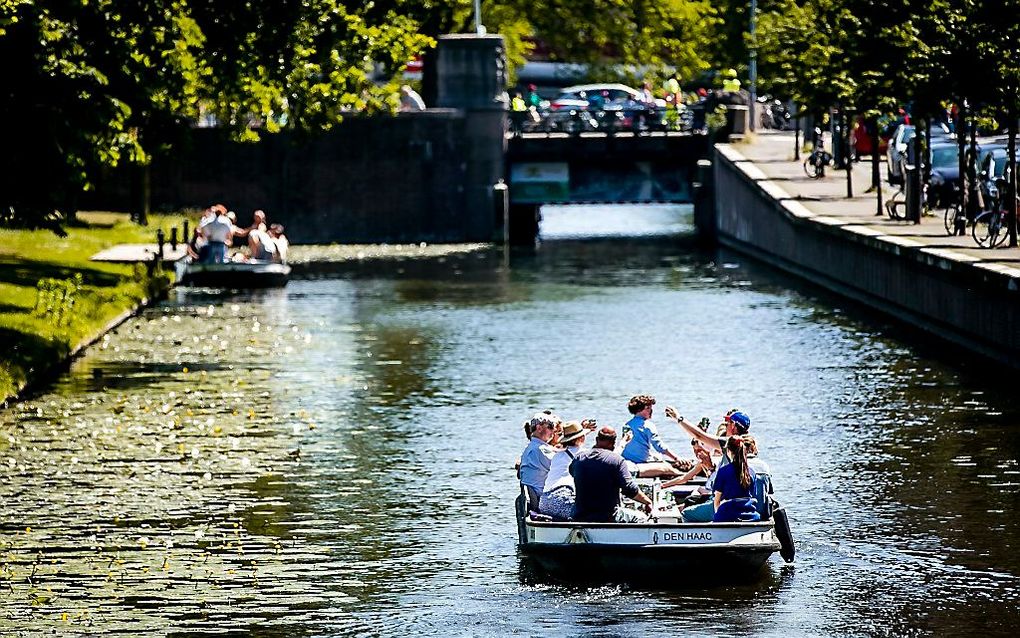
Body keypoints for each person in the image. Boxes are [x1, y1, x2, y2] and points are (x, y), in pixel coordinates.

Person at [571, 426, 652, 523]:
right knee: (641, 517)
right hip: (608, 517)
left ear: (596, 439)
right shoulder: (617, 460)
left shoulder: (579, 458)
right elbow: (629, 489)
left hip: (580, 516)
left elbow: (572, 472)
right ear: (613, 443)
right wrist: (647, 502)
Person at [620, 395, 690, 478]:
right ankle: (683, 475)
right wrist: (676, 458)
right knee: (666, 466)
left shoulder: (627, 425)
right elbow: (659, 446)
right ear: (639, 410)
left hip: (626, 463)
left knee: (657, 457)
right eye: (648, 408)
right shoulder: (647, 425)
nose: (651, 411)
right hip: (639, 465)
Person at [539, 421, 587, 521]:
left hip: (544, 503)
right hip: (563, 498)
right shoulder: (585, 455)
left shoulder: (557, 456)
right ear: (581, 438)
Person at [712, 436, 761, 522]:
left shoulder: (723, 471)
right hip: (750, 515)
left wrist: (717, 516)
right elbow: (753, 495)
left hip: (727, 515)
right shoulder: (752, 472)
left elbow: (717, 501)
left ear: (728, 451)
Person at [518, 411, 560, 509]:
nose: (553, 431)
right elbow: (565, 464)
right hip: (544, 500)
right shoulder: (541, 449)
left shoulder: (532, 447)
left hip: (538, 498)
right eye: (550, 426)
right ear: (539, 428)